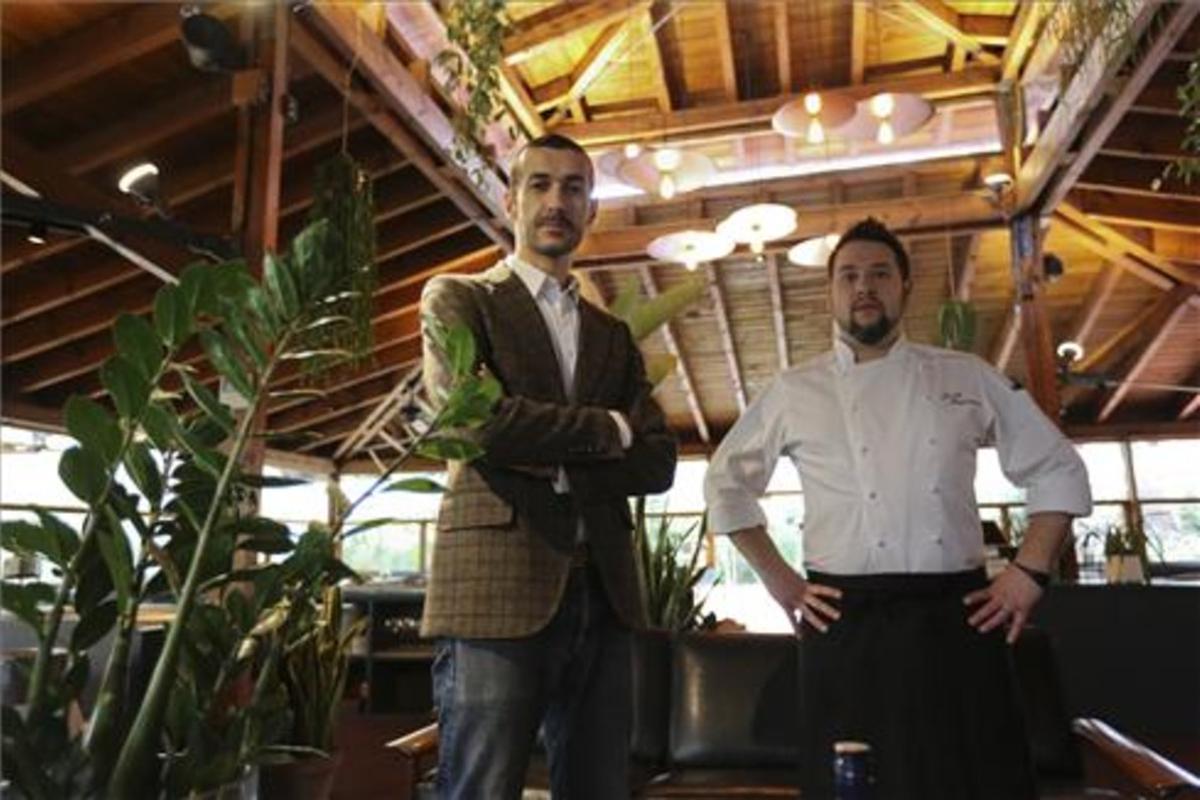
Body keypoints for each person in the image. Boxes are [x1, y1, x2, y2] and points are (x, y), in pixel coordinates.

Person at [703, 217, 1091, 800]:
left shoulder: (965, 376)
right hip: (845, 623)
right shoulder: (793, 390)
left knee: (975, 783)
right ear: (831, 293)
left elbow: (1057, 467)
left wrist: (1028, 573)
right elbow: (725, 487)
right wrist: (781, 582)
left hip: (958, 618)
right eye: (849, 276)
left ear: (905, 286)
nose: (864, 287)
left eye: (880, 273)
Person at [418, 133, 677, 799]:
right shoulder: (459, 299)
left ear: (591, 210)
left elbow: (658, 460)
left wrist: (543, 443)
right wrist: (608, 428)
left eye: (574, 188)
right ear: (511, 200)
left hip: (606, 590)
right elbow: (476, 423)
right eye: (540, 184)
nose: (556, 201)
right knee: (482, 788)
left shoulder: (612, 335)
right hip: (494, 588)